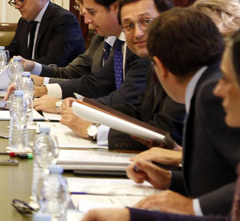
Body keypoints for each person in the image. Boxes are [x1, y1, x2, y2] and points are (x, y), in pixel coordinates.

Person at [83, 13, 240, 220]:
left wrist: (192, 207)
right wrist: (170, 179)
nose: (220, 87)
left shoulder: (210, 92)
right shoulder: (205, 85)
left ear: (160, 67)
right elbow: (219, 175)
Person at [57, 0, 184, 151]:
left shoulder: (181, 64)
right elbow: (138, 110)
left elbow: (165, 133)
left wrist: (94, 131)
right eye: (129, 26)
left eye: (147, 22)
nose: (137, 33)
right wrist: (85, 108)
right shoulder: (154, 60)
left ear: (167, 20)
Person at [30, 0, 148, 110]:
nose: (86, 20)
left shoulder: (140, 45)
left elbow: (124, 100)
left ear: (115, 8)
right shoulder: (117, 44)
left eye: (91, 12)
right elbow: (95, 84)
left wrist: (61, 106)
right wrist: (44, 89)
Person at [0, 0, 84, 68]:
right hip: (27, 76)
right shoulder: (24, 21)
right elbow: (14, 50)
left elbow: (54, 62)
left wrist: (17, 65)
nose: (17, 6)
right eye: (15, 1)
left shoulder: (64, 20)